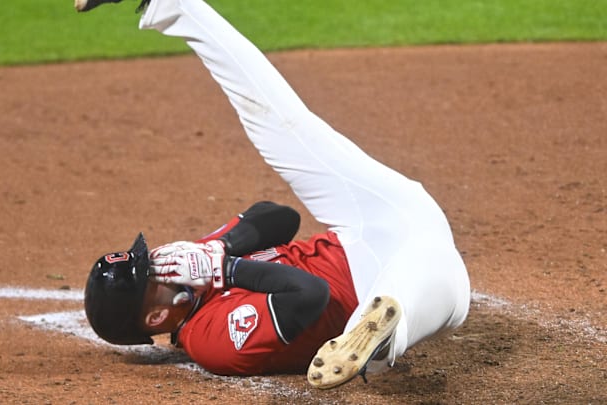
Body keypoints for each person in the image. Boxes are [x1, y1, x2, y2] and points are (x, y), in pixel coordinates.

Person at [78, 0, 471, 389]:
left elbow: (280, 217)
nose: (161, 261)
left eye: (149, 258)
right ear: (155, 318)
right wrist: (226, 271)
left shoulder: (200, 262)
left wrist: (220, 249)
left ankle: (174, 5)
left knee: (287, 128)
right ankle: (377, 340)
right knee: (414, 293)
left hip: (382, 221)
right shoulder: (210, 340)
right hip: (394, 282)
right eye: (151, 272)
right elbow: (309, 295)